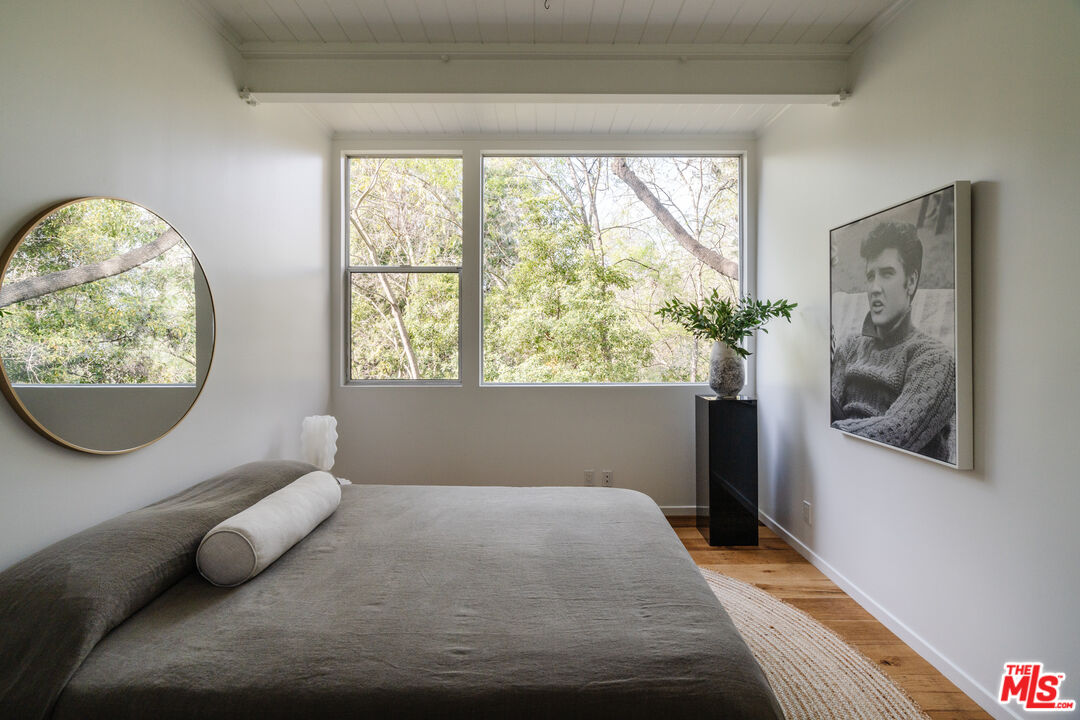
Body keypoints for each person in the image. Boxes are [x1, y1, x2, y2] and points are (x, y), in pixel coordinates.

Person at [831, 222, 955, 462]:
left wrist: (828, 435)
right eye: (870, 276)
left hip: (900, 476)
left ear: (911, 281)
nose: (874, 288)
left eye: (887, 273)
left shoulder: (933, 358)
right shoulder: (849, 348)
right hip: (843, 464)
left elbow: (897, 432)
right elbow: (826, 413)